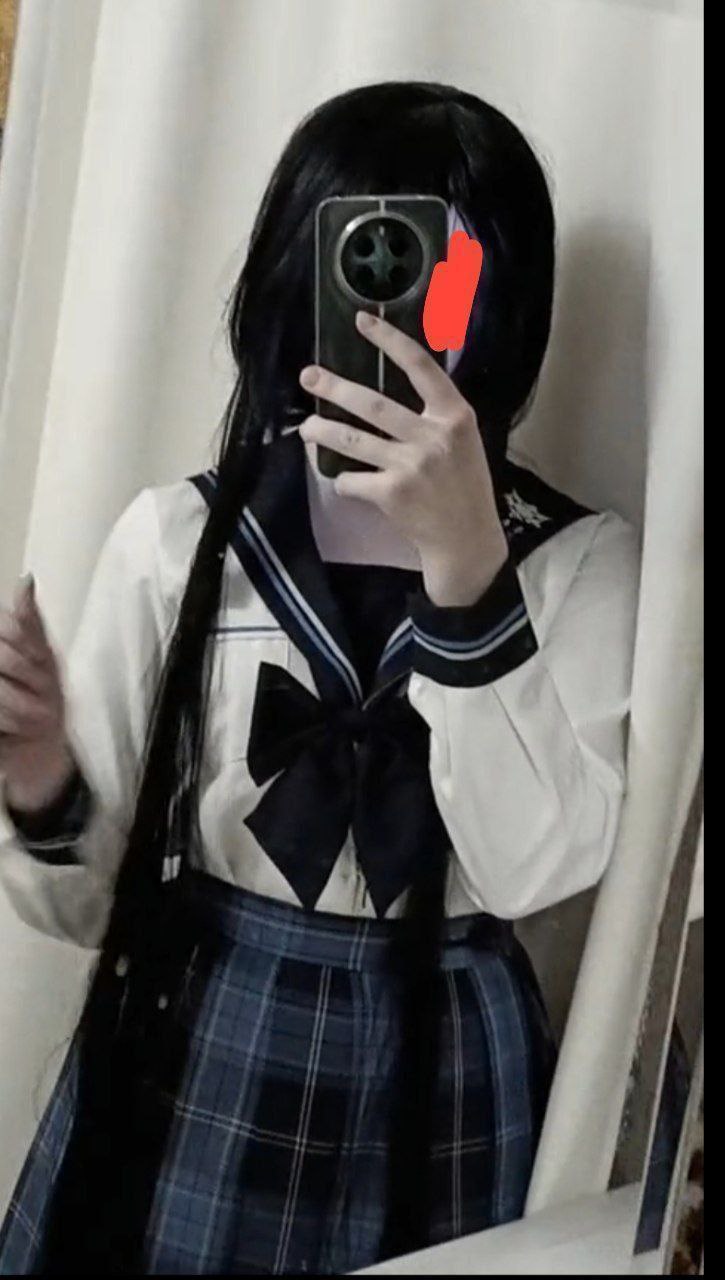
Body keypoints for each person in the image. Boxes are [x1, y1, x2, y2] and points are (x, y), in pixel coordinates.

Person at [0, 81, 639, 1275]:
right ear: (298, 273)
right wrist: (41, 779)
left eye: (442, 272)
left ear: (501, 300)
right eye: (366, 256)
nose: (397, 301)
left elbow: (534, 871)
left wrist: (467, 575)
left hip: (443, 1067)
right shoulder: (180, 541)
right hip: (203, 1037)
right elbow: (89, 911)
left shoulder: (577, 564)